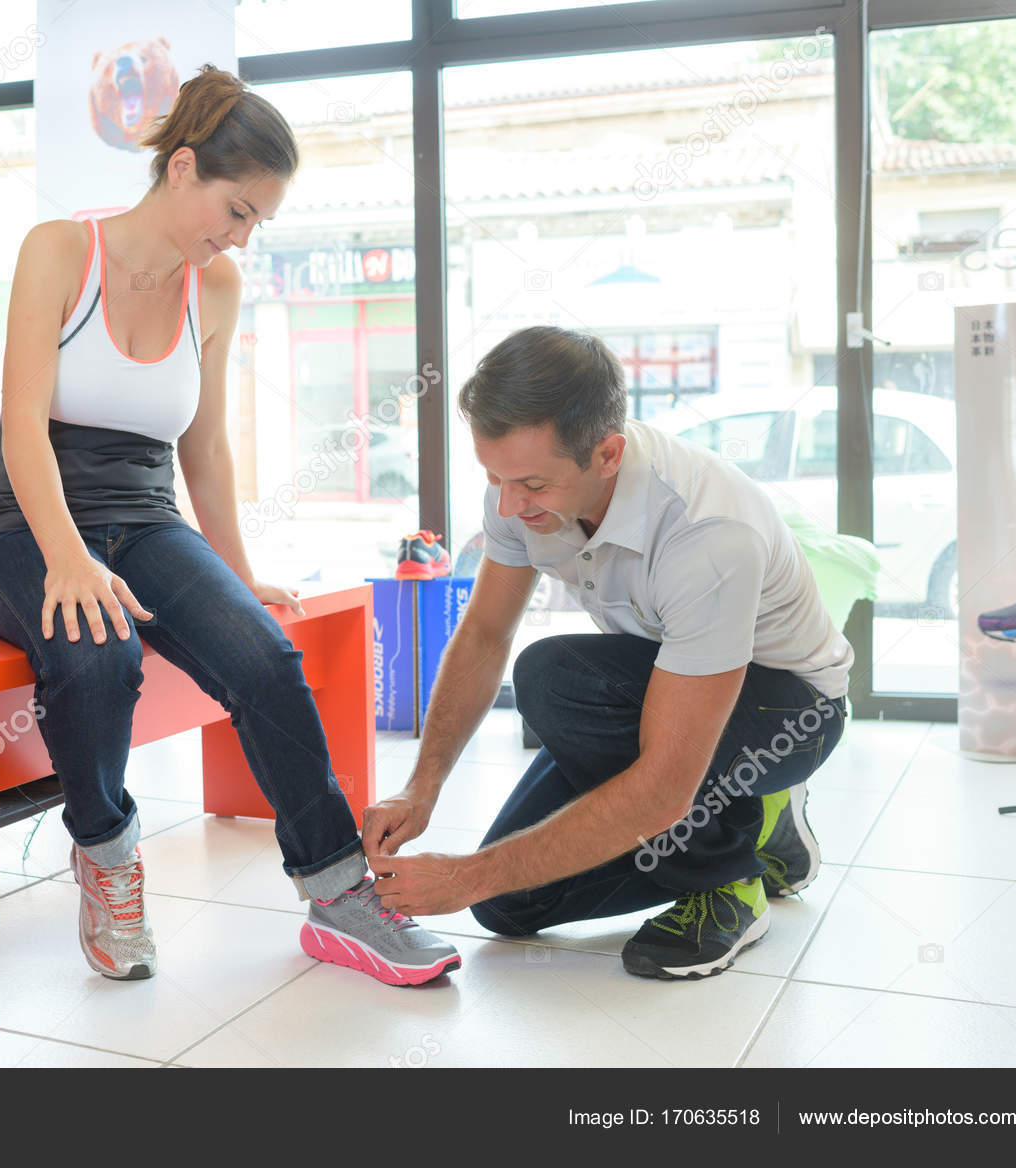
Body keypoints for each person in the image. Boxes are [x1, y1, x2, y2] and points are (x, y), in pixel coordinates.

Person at [0, 65, 460, 986]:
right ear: (183, 168)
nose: (241, 237)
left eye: (257, 223)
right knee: (96, 653)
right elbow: (21, 422)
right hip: (25, 529)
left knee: (266, 659)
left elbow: (206, 451)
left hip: (146, 522)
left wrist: (237, 573)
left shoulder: (215, 286)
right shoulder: (60, 250)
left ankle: (340, 896)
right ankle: (107, 857)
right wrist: (68, 558)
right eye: (238, 212)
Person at [363, 326, 852, 980]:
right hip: (666, 683)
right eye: (494, 478)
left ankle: (729, 882)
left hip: (791, 712)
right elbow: (483, 635)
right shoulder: (520, 490)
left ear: (608, 455)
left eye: (531, 484)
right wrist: (420, 789)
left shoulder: (707, 534)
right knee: (507, 903)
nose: (507, 505)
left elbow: (664, 790)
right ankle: (762, 824)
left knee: (551, 679)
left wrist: (464, 875)